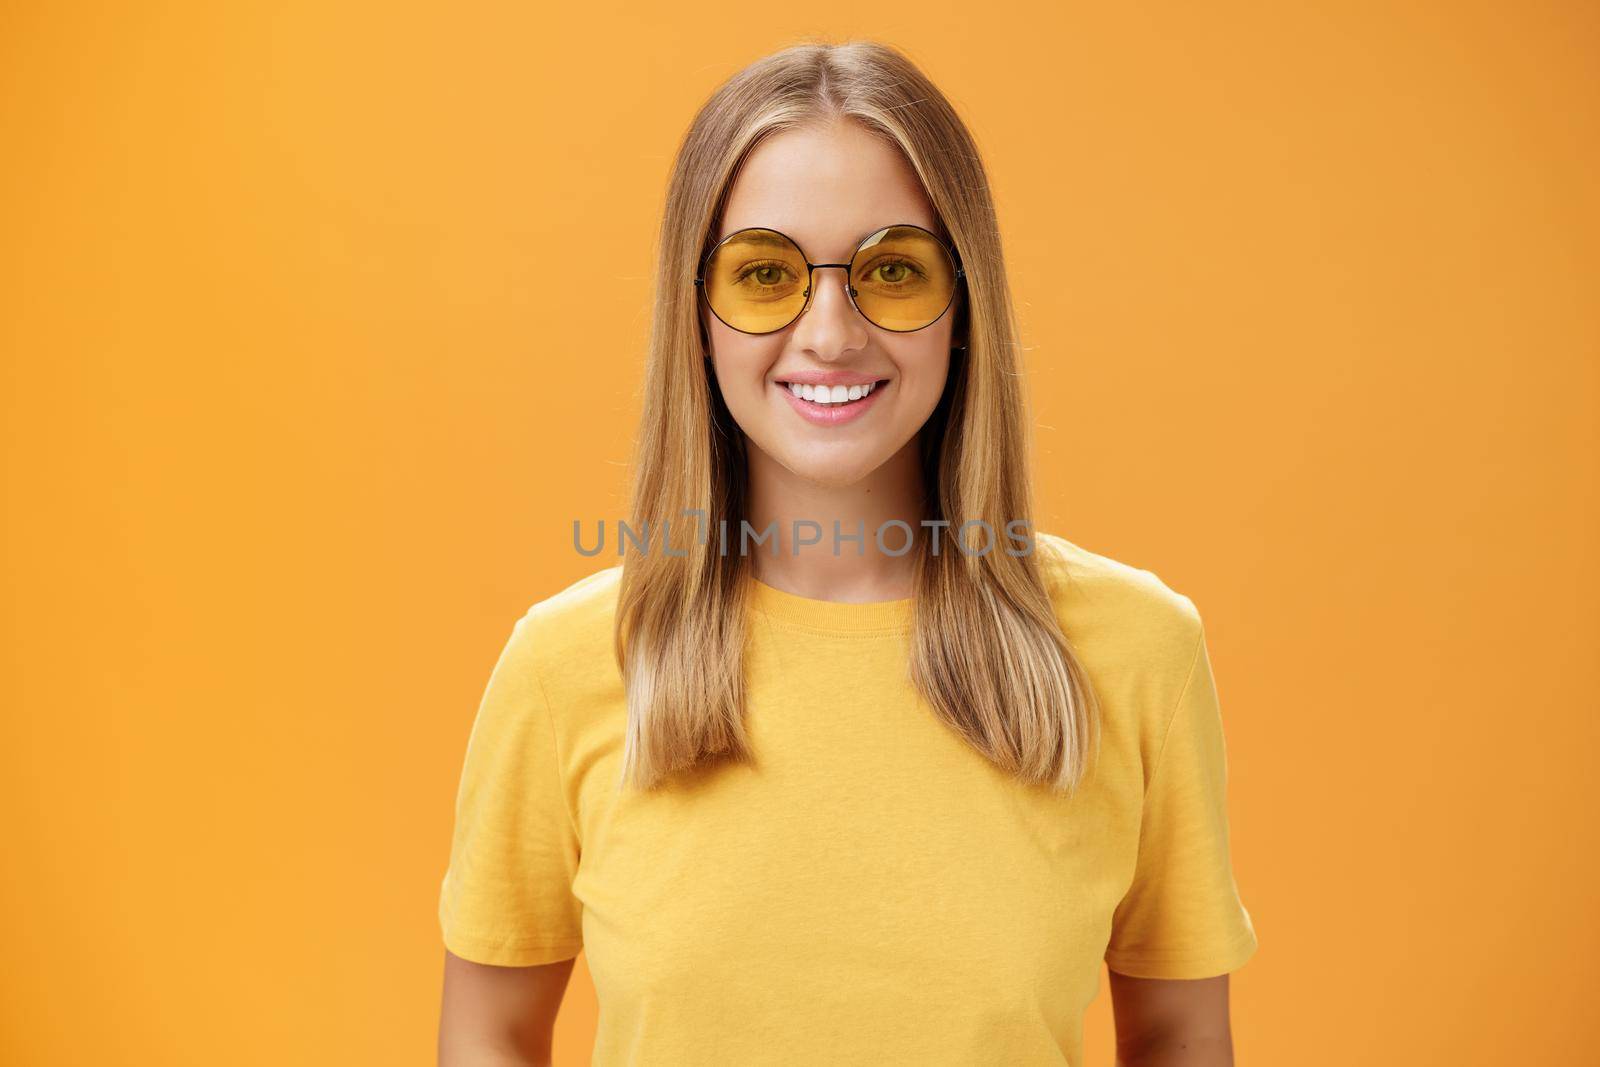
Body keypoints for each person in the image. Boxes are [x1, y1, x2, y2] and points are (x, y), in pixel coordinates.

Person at [436, 39, 1257, 1067]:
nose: (829, 332)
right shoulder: (565, 666)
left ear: (963, 308)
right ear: (696, 314)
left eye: (893, 271)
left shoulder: (1137, 653)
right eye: (767, 273)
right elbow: (490, 1033)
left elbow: (1181, 1035)